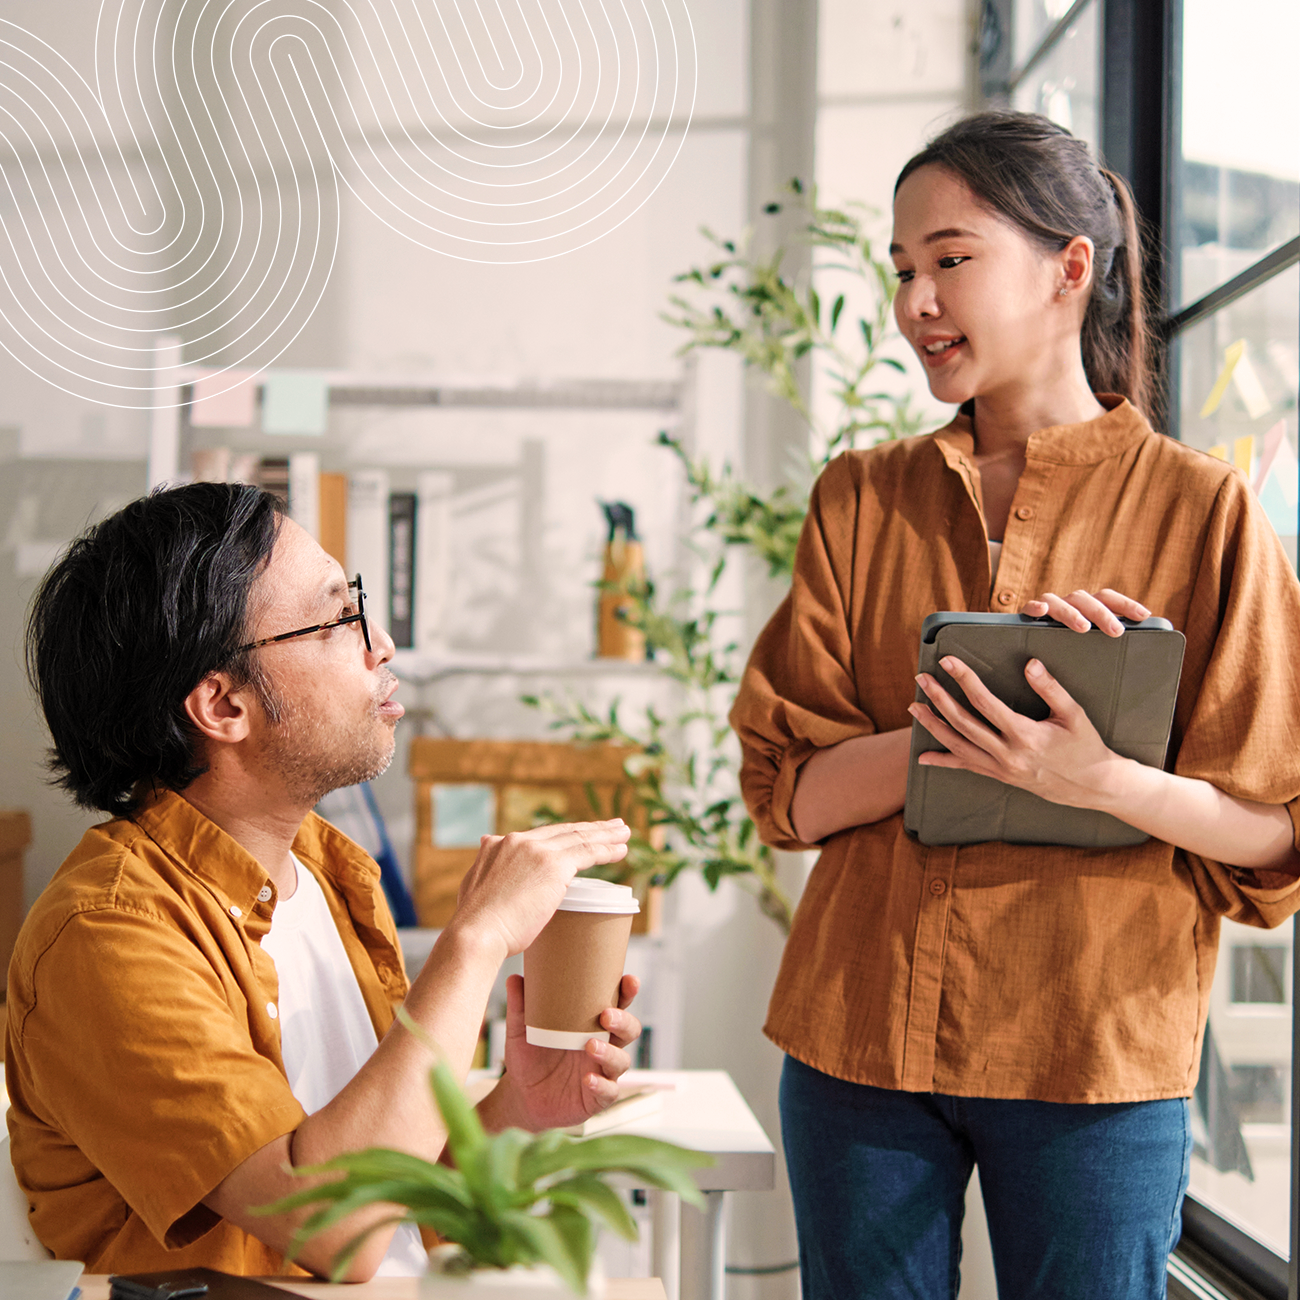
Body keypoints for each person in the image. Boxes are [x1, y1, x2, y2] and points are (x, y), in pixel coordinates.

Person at [730, 110, 1300, 1300]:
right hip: (858, 1045)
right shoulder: (859, 498)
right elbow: (787, 792)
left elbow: (1274, 831)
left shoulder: (1206, 515)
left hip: (1093, 1051)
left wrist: (1096, 778)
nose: (914, 302)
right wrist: (962, 726)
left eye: (949, 259)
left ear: (1068, 269)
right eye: (900, 270)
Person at [7, 482, 642, 1279]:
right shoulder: (104, 937)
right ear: (223, 704)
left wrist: (522, 1106)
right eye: (339, 617)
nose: (382, 644)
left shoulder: (329, 868)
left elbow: (391, 1194)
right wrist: (477, 940)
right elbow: (333, 1225)